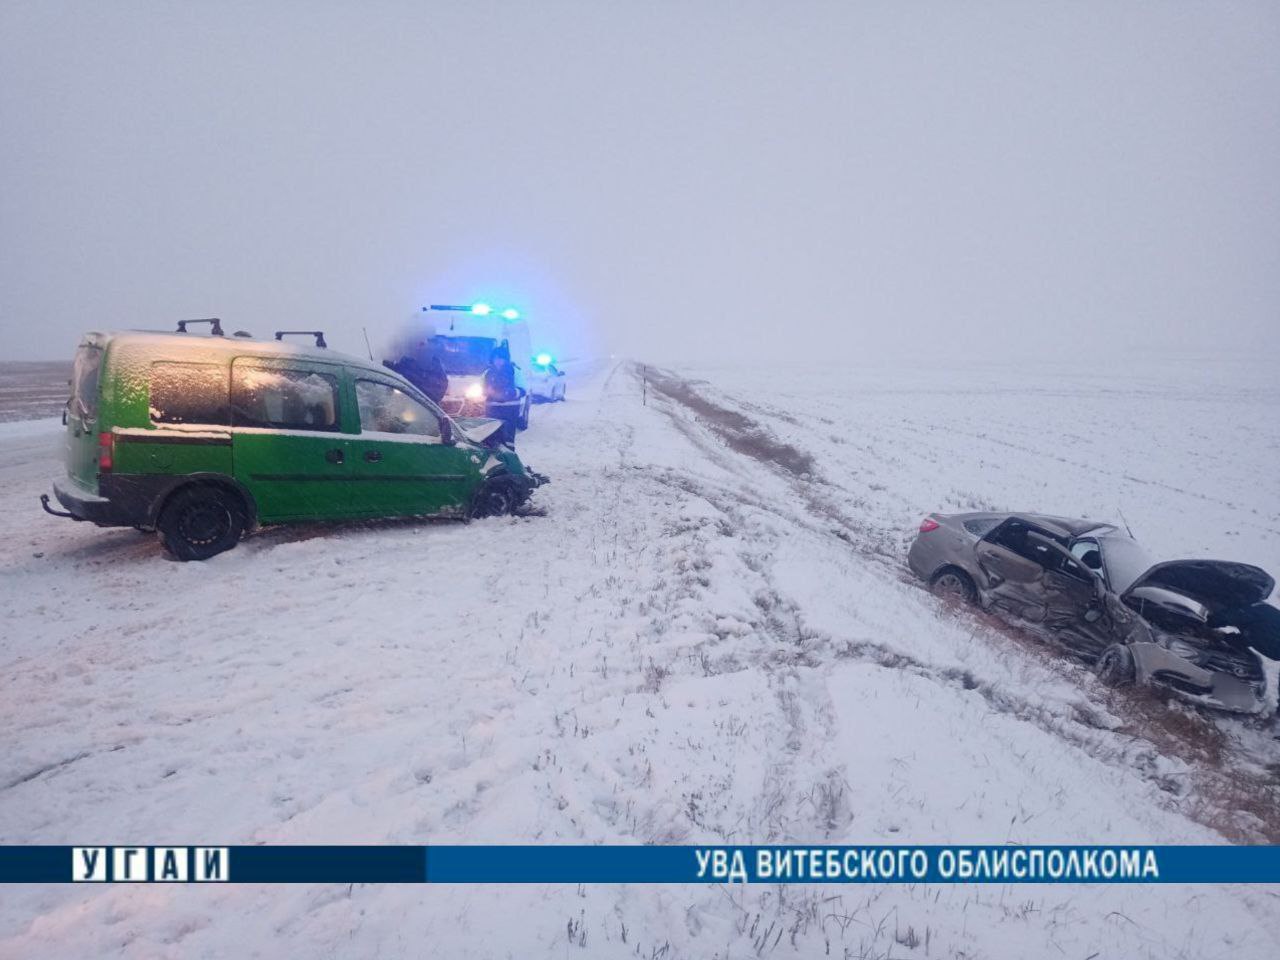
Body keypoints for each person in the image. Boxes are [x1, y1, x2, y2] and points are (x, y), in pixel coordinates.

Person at [482, 346, 521, 444]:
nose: (498, 361)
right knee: (492, 438)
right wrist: (487, 391)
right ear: (493, 359)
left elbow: (523, 389)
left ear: (506, 359)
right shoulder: (487, 373)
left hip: (510, 410)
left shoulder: (514, 371)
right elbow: (482, 388)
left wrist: (512, 392)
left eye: (501, 358)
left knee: (508, 439)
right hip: (492, 410)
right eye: (496, 358)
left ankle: (508, 458)